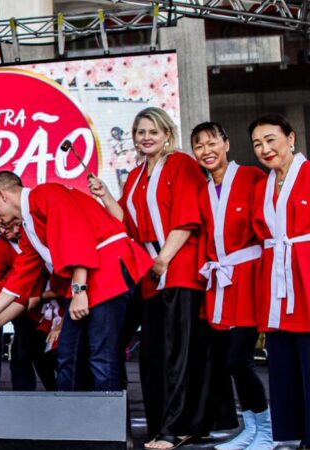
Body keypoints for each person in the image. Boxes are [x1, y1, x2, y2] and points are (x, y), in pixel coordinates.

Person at [89, 107, 237, 449]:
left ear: (167, 133)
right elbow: (126, 221)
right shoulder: (138, 174)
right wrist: (106, 195)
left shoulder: (181, 163)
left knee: (179, 353)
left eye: (153, 131)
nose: (146, 137)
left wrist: (163, 259)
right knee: (154, 354)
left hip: (179, 264)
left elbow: (187, 219)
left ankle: (179, 426)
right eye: (140, 132)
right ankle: (162, 424)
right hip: (152, 271)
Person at [0, 173, 152, 398]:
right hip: (88, 279)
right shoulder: (29, 226)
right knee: (68, 353)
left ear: (3, 195)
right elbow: (18, 282)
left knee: (101, 354)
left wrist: (79, 291)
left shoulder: (46, 194)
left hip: (108, 271)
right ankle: (72, 417)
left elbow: (78, 237)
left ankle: (109, 427)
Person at [190, 122, 272, 450]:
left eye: (212, 143)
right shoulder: (203, 190)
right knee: (230, 362)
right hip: (221, 284)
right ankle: (251, 429)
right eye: (199, 147)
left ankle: (267, 430)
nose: (207, 151)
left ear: (226, 143)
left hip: (250, 278)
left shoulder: (252, 177)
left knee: (240, 359)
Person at [250, 114, 310, 448]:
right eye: (258, 144)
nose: (265, 149)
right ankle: (292, 433)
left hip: (306, 274)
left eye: (271, 139)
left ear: (291, 138)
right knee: (283, 361)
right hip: (276, 279)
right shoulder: (262, 186)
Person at [0, 214, 56, 391]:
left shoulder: (38, 236)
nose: (4, 231)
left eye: (7, 225)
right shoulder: (1, 246)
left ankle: (64, 395)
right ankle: (23, 398)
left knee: (50, 357)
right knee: (22, 355)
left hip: (55, 305)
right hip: (24, 309)